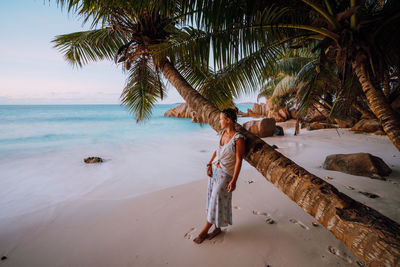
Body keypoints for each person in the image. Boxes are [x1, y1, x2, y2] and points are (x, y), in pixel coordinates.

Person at [193, 108, 245, 244]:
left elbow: (239, 160)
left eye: (221, 119)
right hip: (215, 171)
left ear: (228, 120)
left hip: (226, 174)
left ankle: (203, 232)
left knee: (216, 200)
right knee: (213, 200)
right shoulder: (221, 133)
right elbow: (217, 151)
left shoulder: (238, 139)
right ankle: (217, 228)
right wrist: (209, 164)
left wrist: (234, 180)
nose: (219, 121)